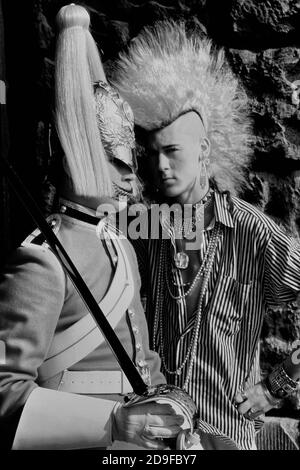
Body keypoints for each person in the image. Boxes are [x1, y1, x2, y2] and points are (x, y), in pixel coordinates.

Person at [0, 5, 185, 450]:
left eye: (131, 163)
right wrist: (112, 424)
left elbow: (143, 361)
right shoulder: (43, 259)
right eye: (117, 161)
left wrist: (169, 401)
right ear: (76, 154)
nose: (131, 176)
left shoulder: (121, 246)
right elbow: (5, 391)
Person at [112, 21, 300, 450]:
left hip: (227, 434)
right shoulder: (146, 224)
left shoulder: (250, 230)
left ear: (205, 151)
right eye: (153, 152)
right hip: (160, 437)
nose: (161, 166)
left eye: (173, 151)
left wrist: (278, 384)